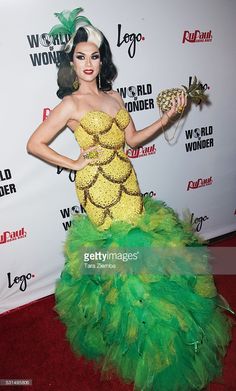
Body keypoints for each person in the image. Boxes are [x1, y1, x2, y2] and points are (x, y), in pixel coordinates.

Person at [27, 8, 233, 391]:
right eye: (81, 56)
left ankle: (158, 332)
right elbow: (34, 143)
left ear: (102, 60)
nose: (89, 63)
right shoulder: (70, 105)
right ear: (71, 62)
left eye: (95, 56)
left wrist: (168, 118)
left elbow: (134, 140)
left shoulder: (114, 95)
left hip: (128, 186)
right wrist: (73, 162)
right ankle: (126, 335)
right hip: (97, 191)